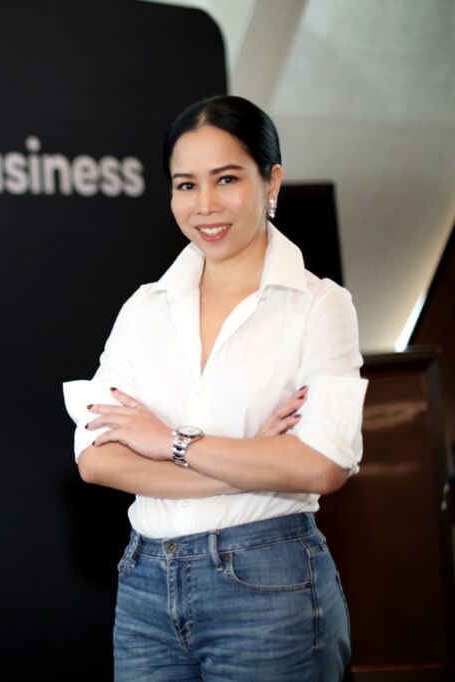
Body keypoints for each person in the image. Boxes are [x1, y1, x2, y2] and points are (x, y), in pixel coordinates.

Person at [63, 95, 366, 680]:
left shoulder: (319, 305)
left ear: (271, 180)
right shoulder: (145, 308)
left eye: (226, 179)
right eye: (186, 184)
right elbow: (95, 459)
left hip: (269, 582)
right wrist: (254, 457)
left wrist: (168, 442)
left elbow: (323, 464)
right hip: (146, 586)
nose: (204, 205)